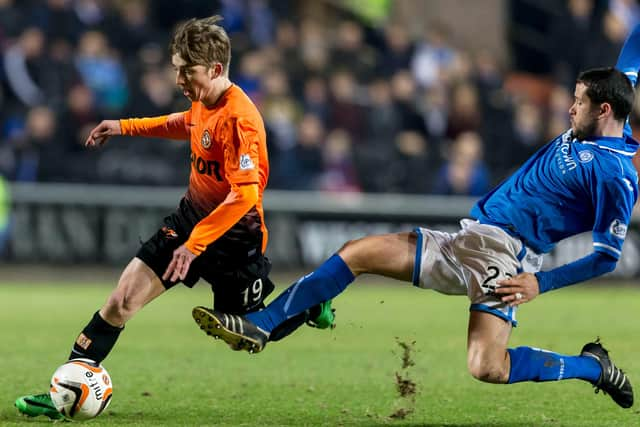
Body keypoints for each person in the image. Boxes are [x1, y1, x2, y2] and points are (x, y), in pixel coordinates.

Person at [192, 26, 640, 410]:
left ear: (604, 110)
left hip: (506, 258)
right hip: (472, 238)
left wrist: (539, 283)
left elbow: (606, 256)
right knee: (355, 253)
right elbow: (630, 58)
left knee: (486, 367)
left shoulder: (615, 175)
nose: (569, 109)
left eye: (578, 103)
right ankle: (263, 327)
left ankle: (591, 367)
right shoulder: (610, 100)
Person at [15, 16, 333, 420]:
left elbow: (244, 194)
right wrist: (124, 127)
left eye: (188, 70)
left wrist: (195, 244)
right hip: (188, 221)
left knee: (248, 335)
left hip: (234, 238)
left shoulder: (241, 120)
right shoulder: (203, 101)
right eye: (176, 67)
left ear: (216, 69)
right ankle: (64, 392)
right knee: (121, 300)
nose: (179, 78)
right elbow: (183, 123)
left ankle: (309, 304)